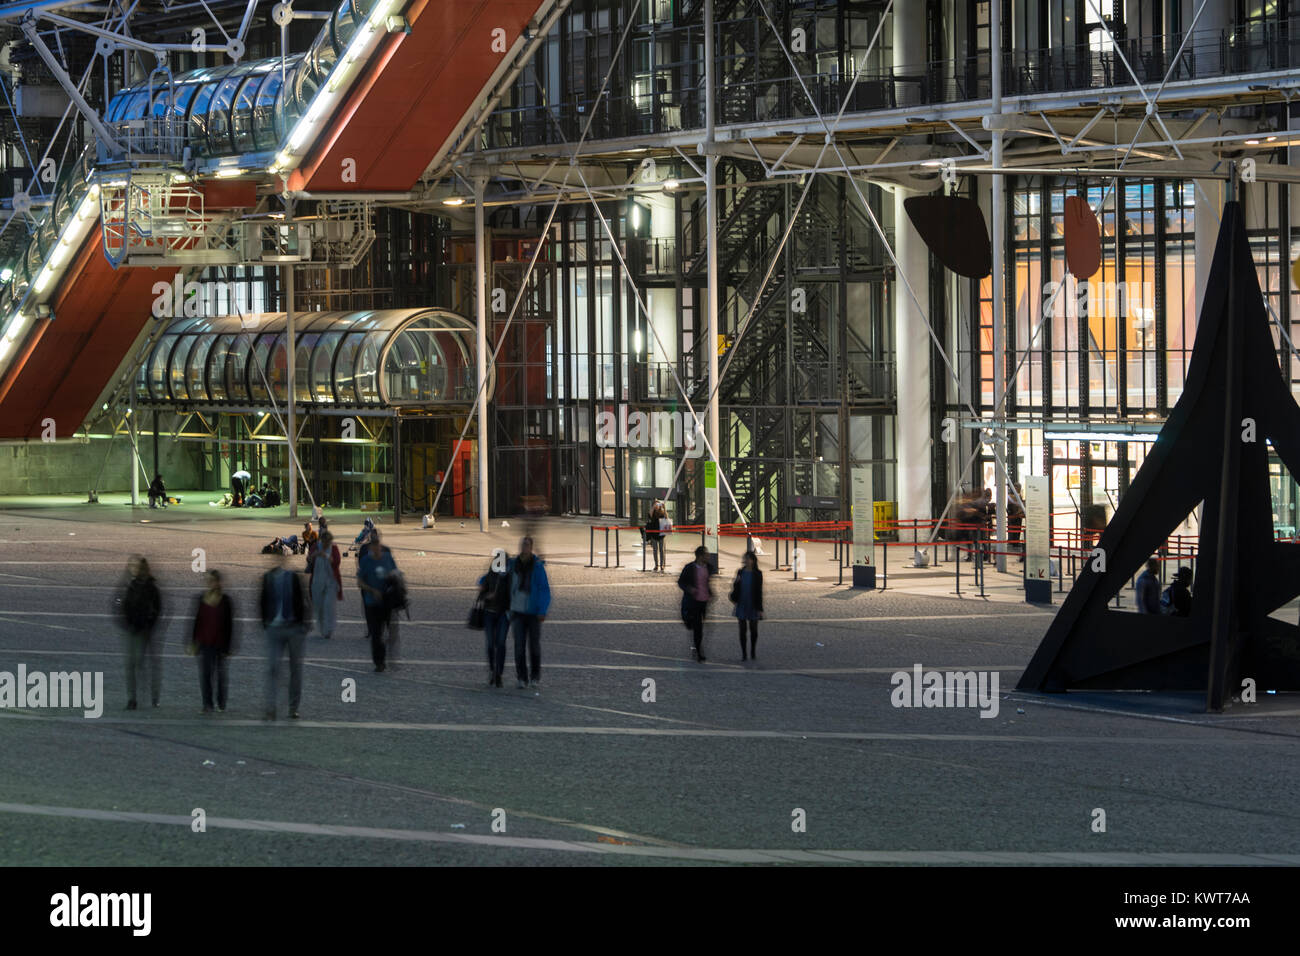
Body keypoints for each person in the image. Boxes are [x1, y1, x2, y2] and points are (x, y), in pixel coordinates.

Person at [260, 548, 306, 720]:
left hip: (293, 628)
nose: (277, 561)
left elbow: (302, 601)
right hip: (274, 627)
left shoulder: (294, 577)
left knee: (296, 670)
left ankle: (293, 708)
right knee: (273, 668)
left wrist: (302, 625)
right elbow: (262, 601)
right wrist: (265, 623)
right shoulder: (267, 578)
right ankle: (271, 707)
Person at [117, 556, 162, 710]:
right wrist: (126, 621)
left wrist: (148, 624)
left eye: (136, 567)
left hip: (144, 630)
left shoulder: (150, 587)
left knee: (140, 663)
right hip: (132, 629)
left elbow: (156, 609)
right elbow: (123, 604)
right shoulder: (131, 585)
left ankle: (151, 697)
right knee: (131, 664)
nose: (133, 569)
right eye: (132, 566)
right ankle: (133, 698)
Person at [508, 536, 551, 689]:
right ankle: (521, 677)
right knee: (519, 646)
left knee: (534, 646)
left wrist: (542, 610)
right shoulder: (513, 564)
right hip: (518, 611)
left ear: (531, 547)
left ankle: (535, 676)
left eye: (527, 545)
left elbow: (544, 589)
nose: (524, 547)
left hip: (533, 612)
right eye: (523, 544)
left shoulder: (538, 567)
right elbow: (498, 576)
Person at [189, 570, 234, 713]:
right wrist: (194, 641)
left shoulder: (226, 600)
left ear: (218, 582)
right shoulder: (201, 599)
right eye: (207, 580)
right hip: (205, 642)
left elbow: (230, 625)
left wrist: (228, 646)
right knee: (206, 674)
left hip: (220, 642)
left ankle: (221, 702)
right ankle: (207, 704)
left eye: (212, 580)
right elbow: (197, 621)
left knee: (220, 675)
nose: (209, 583)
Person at [356, 531, 398, 672]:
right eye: (374, 546)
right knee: (376, 634)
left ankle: (387, 656)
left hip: (386, 602)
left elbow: (395, 573)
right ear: (370, 547)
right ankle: (379, 662)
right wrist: (372, 591)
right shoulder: (366, 561)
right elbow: (360, 581)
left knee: (388, 632)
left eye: (378, 545)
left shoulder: (387, 557)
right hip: (371, 603)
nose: (377, 549)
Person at [477, 554, 512, 688]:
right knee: (491, 644)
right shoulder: (489, 576)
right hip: (489, 613)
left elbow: (513, 594)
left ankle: (499, 673)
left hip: (503, 614)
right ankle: (493, 669)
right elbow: (480, 595)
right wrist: (487, 595)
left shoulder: (509, 577)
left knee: (501, 643)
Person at [678, 546, 715, 662]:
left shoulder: (709, 567)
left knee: (699, 626)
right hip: (693, 601)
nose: (708, 556)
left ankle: (697, 647)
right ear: (700, 556)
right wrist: (689, 589)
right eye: (706, 554)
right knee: (698, 628)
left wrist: (710, 593)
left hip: (704, 601)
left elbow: (707, 582)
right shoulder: (689, 568)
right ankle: (699, 652)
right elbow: (681, 582)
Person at [730, 550, 764, 661]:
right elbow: (735, 586)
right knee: (742, 630)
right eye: (746, 558)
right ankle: (744, 653)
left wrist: (760, 608)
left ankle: (753, 650)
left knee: (754, 630)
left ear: (753, 560)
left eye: (749, 558)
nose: (747, 561)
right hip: (742, 603)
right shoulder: (740, 572)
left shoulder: (758, 574)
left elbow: (759, 591)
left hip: (753, 604)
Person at [309, 531, 342, 639]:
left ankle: (329, 629)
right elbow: (308, 559)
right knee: (319, 606)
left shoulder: (334, 548)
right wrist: (314, 555)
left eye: (329, 542)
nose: (327, 544)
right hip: (317, 581)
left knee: (329, 605)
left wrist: (326, 555)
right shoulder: (315, 547)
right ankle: (322, 629)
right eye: (325, 542)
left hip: (331, 582)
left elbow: (337, 562)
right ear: (321, 540)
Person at [644, 500, 668, 572]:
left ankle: (662, 565)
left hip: (661, 534)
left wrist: (664, 507)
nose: (657, 506)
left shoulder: (662, 512)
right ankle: (656, 565)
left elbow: (666, 517)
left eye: (658, 504)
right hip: (654, 534)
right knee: (655, 550)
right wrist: (653, 507)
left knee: (661, 550)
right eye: (656, 504)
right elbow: (650, 514)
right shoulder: (653, 512)